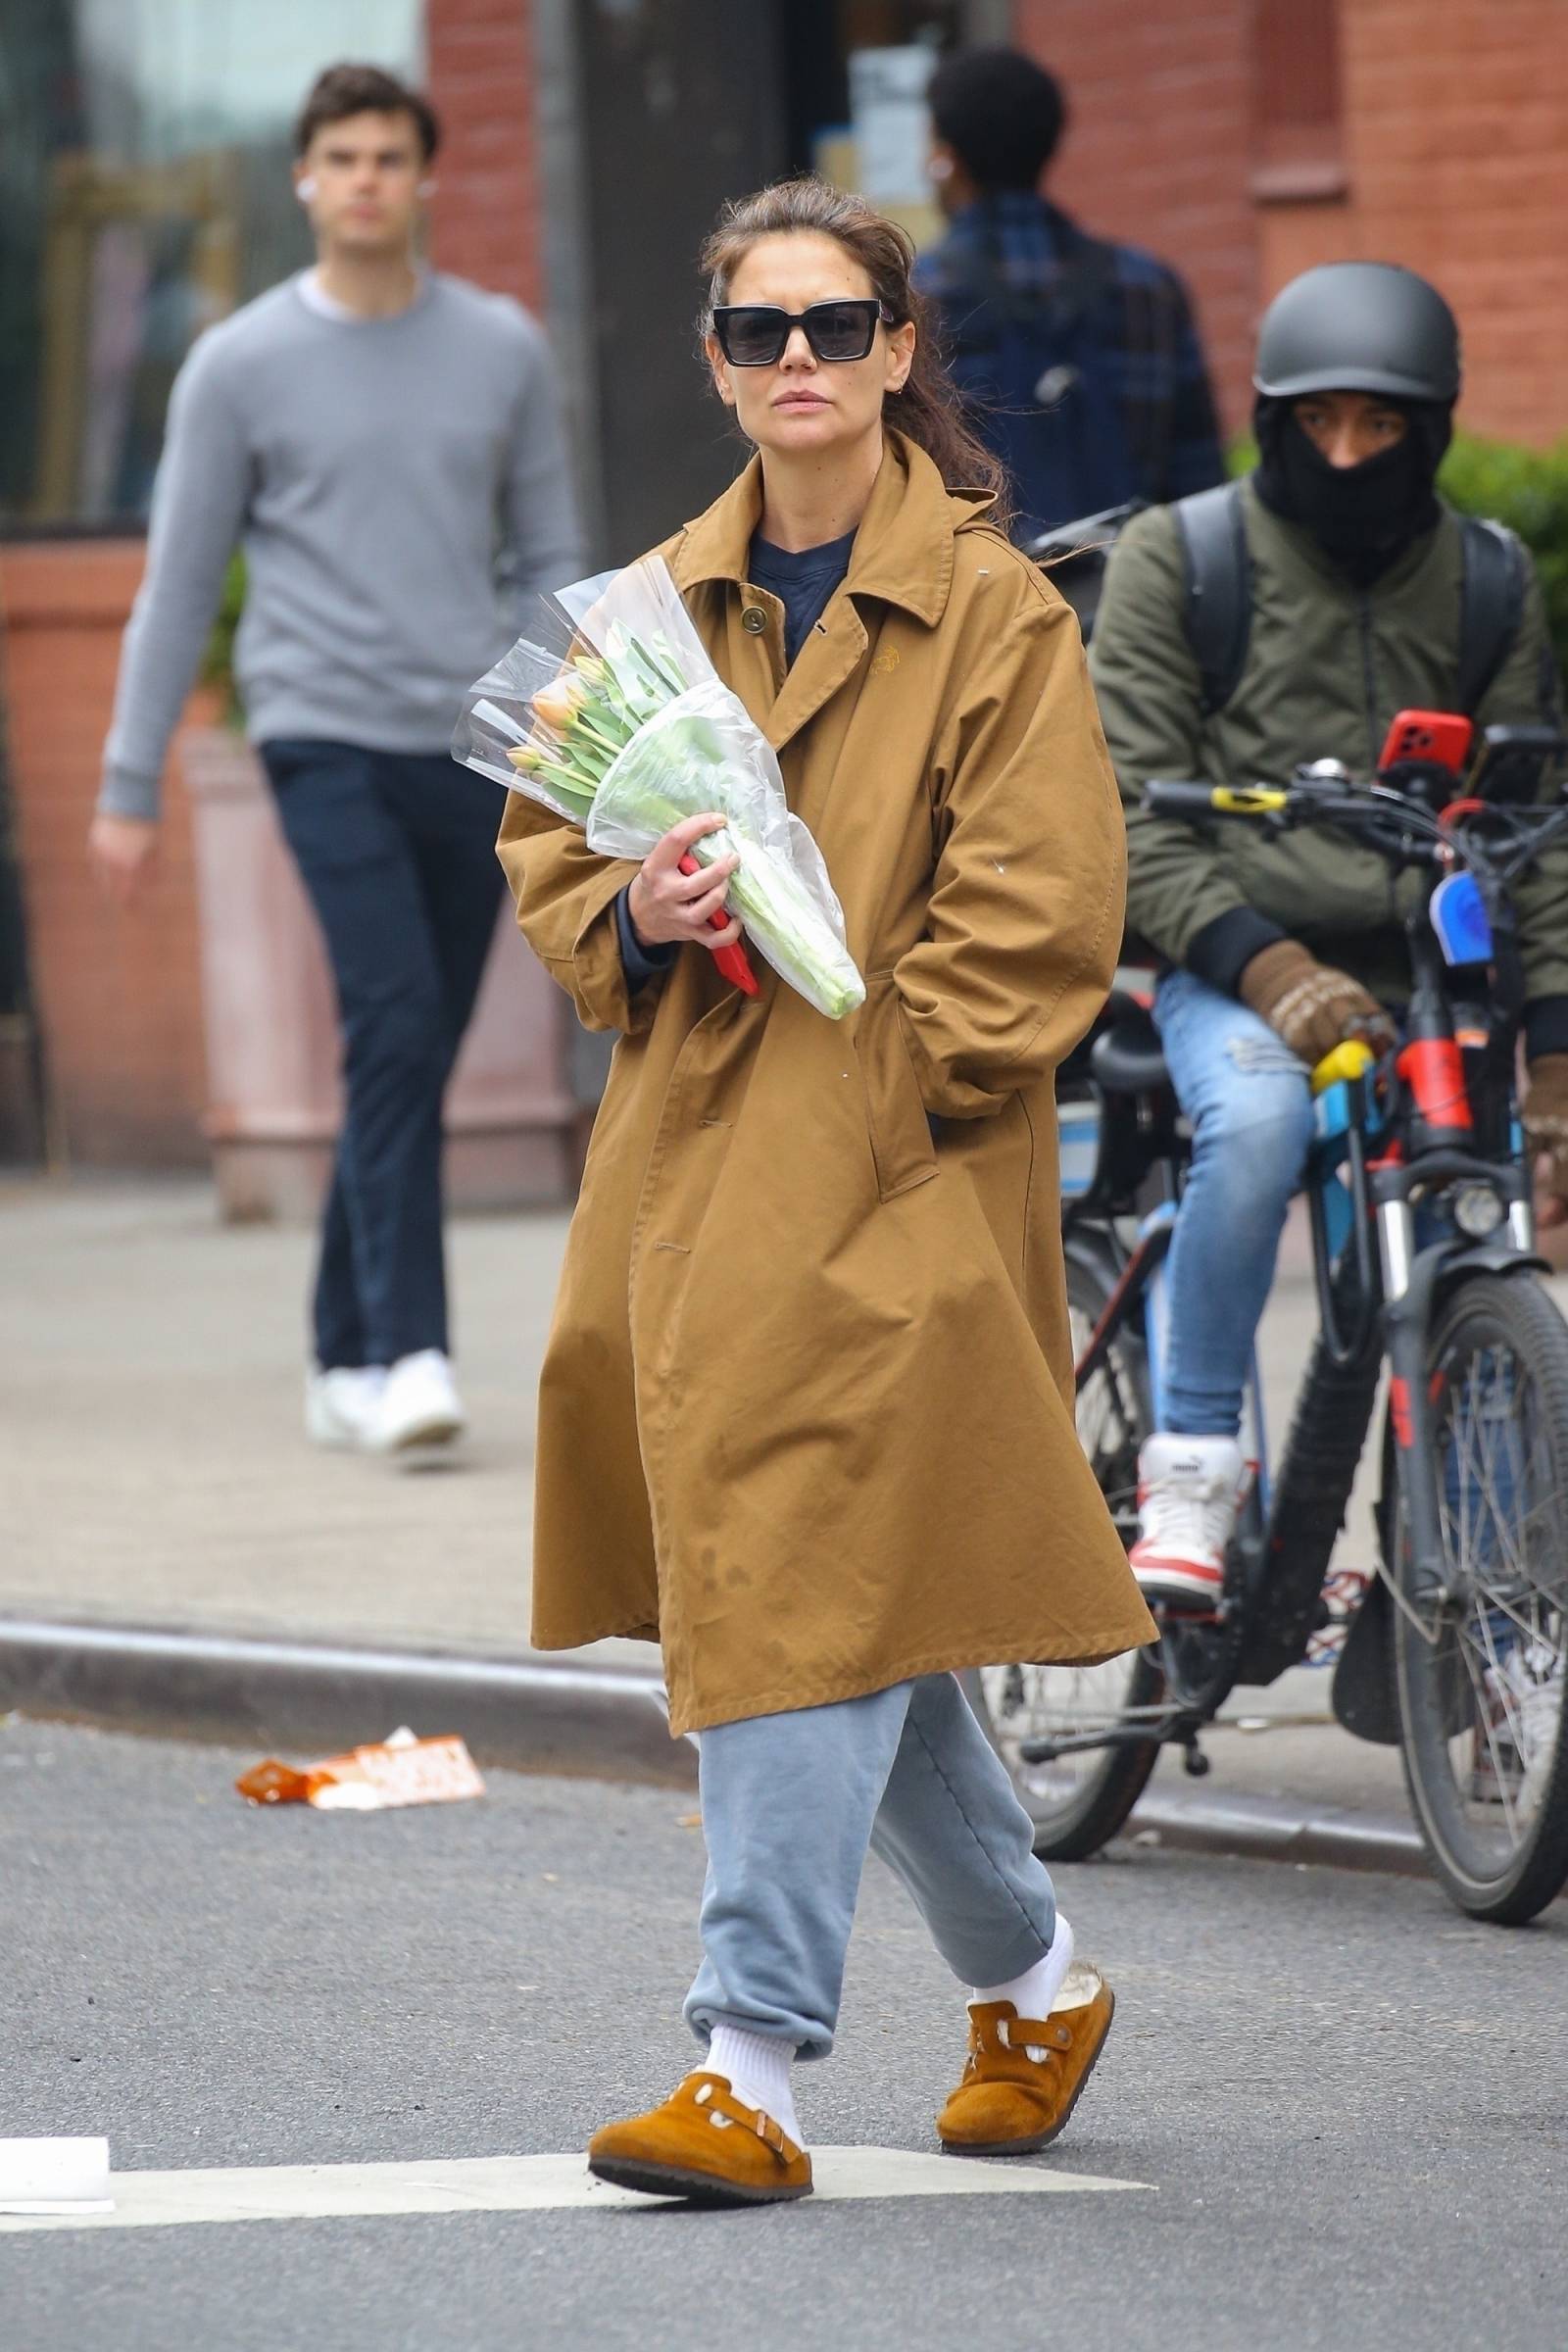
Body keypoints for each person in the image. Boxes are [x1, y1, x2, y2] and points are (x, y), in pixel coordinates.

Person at [497, 176, 1154, 2206]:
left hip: (891, 1179)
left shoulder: (994, 609)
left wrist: (877, 1081)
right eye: (760, 329)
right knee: (838, 1604)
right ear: (715, 361)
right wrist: (641, 898)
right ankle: (1034, 1982)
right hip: (687, 1169)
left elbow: (1042, 916)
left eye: (838, 325)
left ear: (895, 354)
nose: (799, 359)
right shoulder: (643, 607)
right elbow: (545, 862)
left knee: (790, 1567)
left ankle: (750, 2063)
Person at [89, 62, 581, 1458]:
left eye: (388, 157)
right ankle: (412, 1351)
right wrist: (127, 785)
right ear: (304, 180)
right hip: (315, 730)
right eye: (341, 157)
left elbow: (552, 552)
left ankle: (337, 1347)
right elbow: (180, 583)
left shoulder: (503, 349)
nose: (365, 178)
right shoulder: (238, 364)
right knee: (397, 1016)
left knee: (403, 1048)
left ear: (426, 180)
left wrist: (561, 723)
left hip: (474, 739)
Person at [1088, 261, 1568, 1609]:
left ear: (1433, 430)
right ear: (1274, 416)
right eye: (1319, 425)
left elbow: (1535, 834)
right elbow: (1127, 820)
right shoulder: (1181, 561)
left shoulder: (1487, 581)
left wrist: (1555, 1063)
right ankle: (1189, 1467)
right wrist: (1271, 970)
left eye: (1383, 428)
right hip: (1225, 963)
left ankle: (1482, 1569)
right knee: (1250, 1126)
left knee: (1483, 1193)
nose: (1349, 454)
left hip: (1425, 980)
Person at [911, 43, 1224, 540]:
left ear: (947, 157)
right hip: (1129, 598)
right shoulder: (1149, 289)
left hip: (983, 606)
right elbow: (1200, 487)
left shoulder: (914, 298)